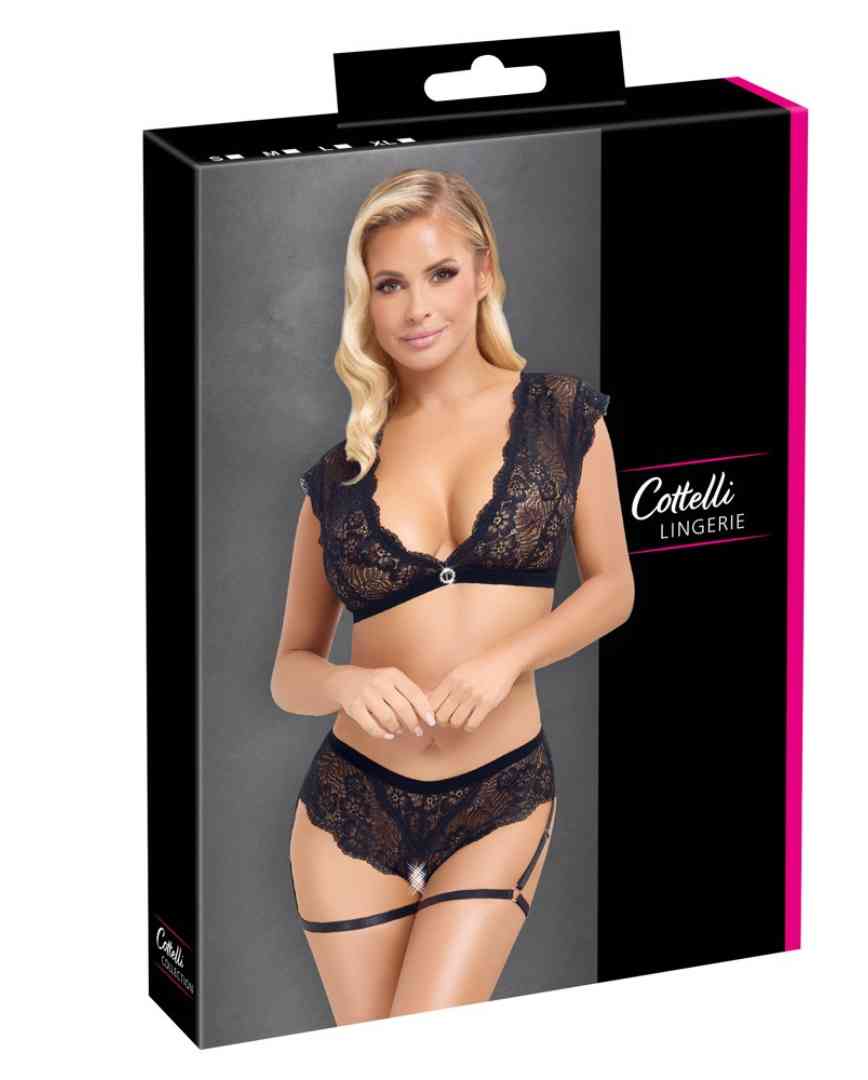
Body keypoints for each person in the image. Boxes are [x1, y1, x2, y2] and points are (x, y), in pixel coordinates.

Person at [271, 168, 633, 1025]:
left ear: (483, 272)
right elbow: (289, 671)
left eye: (439, 274)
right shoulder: (338, 476)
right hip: (351, 805)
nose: (417, 308)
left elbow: (613, 587)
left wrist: (509, 659)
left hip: (500, 792)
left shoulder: (560, 418)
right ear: (366, 302)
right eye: (390, 284)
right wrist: (346, 682)